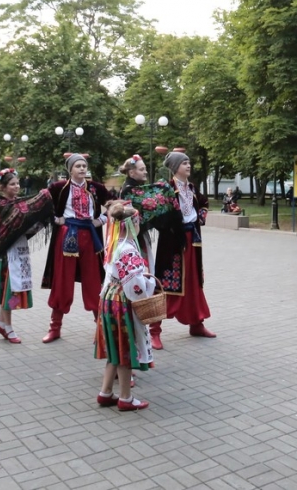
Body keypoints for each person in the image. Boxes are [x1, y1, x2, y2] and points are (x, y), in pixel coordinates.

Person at [40, 153, 111, 343]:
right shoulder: (58, 188)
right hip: (67, 236)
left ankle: (101, 328)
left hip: (90, 236)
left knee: (94, 281)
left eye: (84, 165)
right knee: (62, 281)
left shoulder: (96, 188)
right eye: (78, 166)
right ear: (70, 169)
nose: (82, 169)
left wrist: (101, 220)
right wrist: (56, 219)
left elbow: (114, 205)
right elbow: (41, 205)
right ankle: (55, 328)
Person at [151, 151, 215, 349]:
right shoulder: (166, 189)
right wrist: (171, 224)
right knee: (167, 285)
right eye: (184, 163)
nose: (189, 166)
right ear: (175, 167)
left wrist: (200, 217)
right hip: (172, 244)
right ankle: (154, 331)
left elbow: (204, 203)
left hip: (193, 241)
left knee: (194, 282)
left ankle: (197, 324)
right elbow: (156, 215)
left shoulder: (192, 188)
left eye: (189, 162)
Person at [94, 200, 154, 411]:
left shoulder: (113, 245)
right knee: (126, 348)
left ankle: (105, 392)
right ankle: (126, 398)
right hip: (122, 302)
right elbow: (135, 286)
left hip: (109, 298)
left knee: (114, 348)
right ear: (132, 224)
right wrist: (149, 285)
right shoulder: (129, 249)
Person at [0, 168, 53, 344]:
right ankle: (8, 328)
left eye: (17, 183)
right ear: (2, 187)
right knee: (8, 289)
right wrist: (43, 196)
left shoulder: (17, 202)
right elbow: (23, 214)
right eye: (12, 184)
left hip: (18, 248)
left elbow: (27, 219)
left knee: (8, 287)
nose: (16, 187)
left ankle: (1, 323)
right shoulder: (2, 205)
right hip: (7, 252)